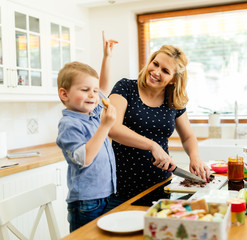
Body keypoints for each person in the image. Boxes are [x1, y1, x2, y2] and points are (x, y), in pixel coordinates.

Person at [107, 45, 211, 206]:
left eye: (165, 71)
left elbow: (188, 136)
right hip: (122, 186)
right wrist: (152, 145)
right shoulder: (125, 87)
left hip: (160, 185)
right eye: (155, 64)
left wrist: (195, 157)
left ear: (174, 79)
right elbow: (113, 128)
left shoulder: (173, 101)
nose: (156, 72)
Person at [56, 32, 118, 232]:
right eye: (85, 90)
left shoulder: (92, 113)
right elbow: (84, 159)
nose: (93, 94)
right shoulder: (69, 123)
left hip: (107, 195)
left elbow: (104, 88)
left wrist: (107, 57)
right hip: (86, 203)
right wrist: (105, 127)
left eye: (94, 90)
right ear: (64, 94)